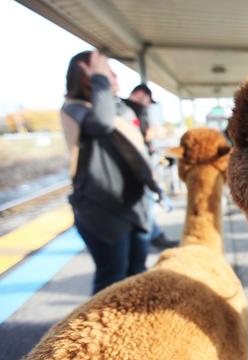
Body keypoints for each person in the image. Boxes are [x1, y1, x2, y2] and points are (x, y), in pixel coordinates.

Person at [60, 51, 162, 294]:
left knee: (137, 274)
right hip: (102, 213)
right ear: (85, 73)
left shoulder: (117, 106)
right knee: (112, 281)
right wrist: (100, 78)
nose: (113, 75)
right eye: (106, 68)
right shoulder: (74, 110)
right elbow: (102, 122)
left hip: (133, 208)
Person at [123, 84, 178, 249]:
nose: (147, 104)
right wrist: (149, 135)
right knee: (145, 200)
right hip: (137, 165)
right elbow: (143, 136)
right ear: (140, 94)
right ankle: (150, 236)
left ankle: (153, 235)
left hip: (139, 163)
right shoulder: (130, 110)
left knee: (146, 200)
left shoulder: (127, 109)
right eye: (147, 100)